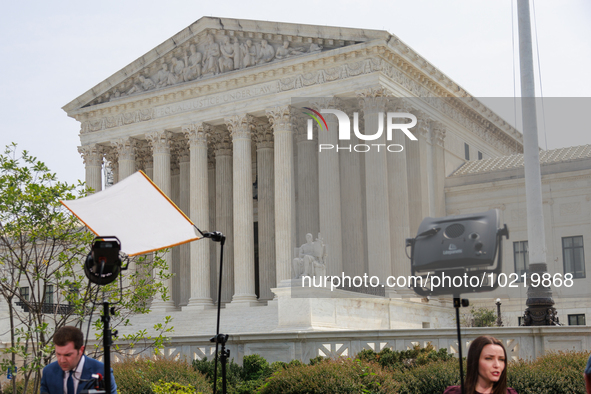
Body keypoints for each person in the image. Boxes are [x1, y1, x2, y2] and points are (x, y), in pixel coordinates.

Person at [40, 326, 117, 394]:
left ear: (81, 350)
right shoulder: (48, 372)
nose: (62, 360)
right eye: (58, 354)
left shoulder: (102, 371)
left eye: (67, 355)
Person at [444, 336, 517, 394]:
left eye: (501, 359)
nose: (497, 365)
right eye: (489, 358)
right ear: (475, 361)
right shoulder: (454, 392)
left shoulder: (510, 393)